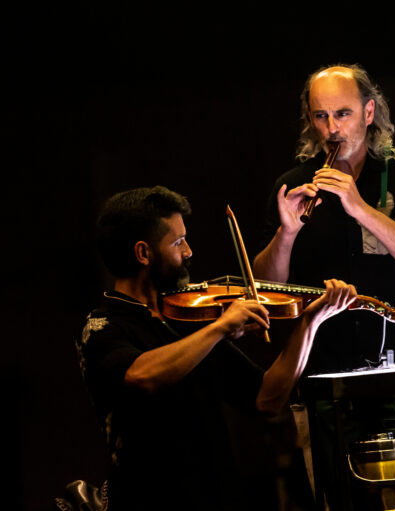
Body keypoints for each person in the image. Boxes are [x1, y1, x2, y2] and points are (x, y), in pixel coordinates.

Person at [77, 186, 357, 511]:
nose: (189, 251)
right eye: (178, 242)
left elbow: (267, 398)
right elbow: (142, 374)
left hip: (216, 495)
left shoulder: (188, 321)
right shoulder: (102, 326)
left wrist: (310, 324)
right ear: (143, 253)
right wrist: (221, 328)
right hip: (148, 498)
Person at [253, 64, 395, 509]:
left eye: (342, 114)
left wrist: (358, 206)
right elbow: (267, 287)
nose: (331, 128)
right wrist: (285, 234)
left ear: (369, 112)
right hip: (327, 373)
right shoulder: (292, 183)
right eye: (320, 116)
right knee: (340, 501)